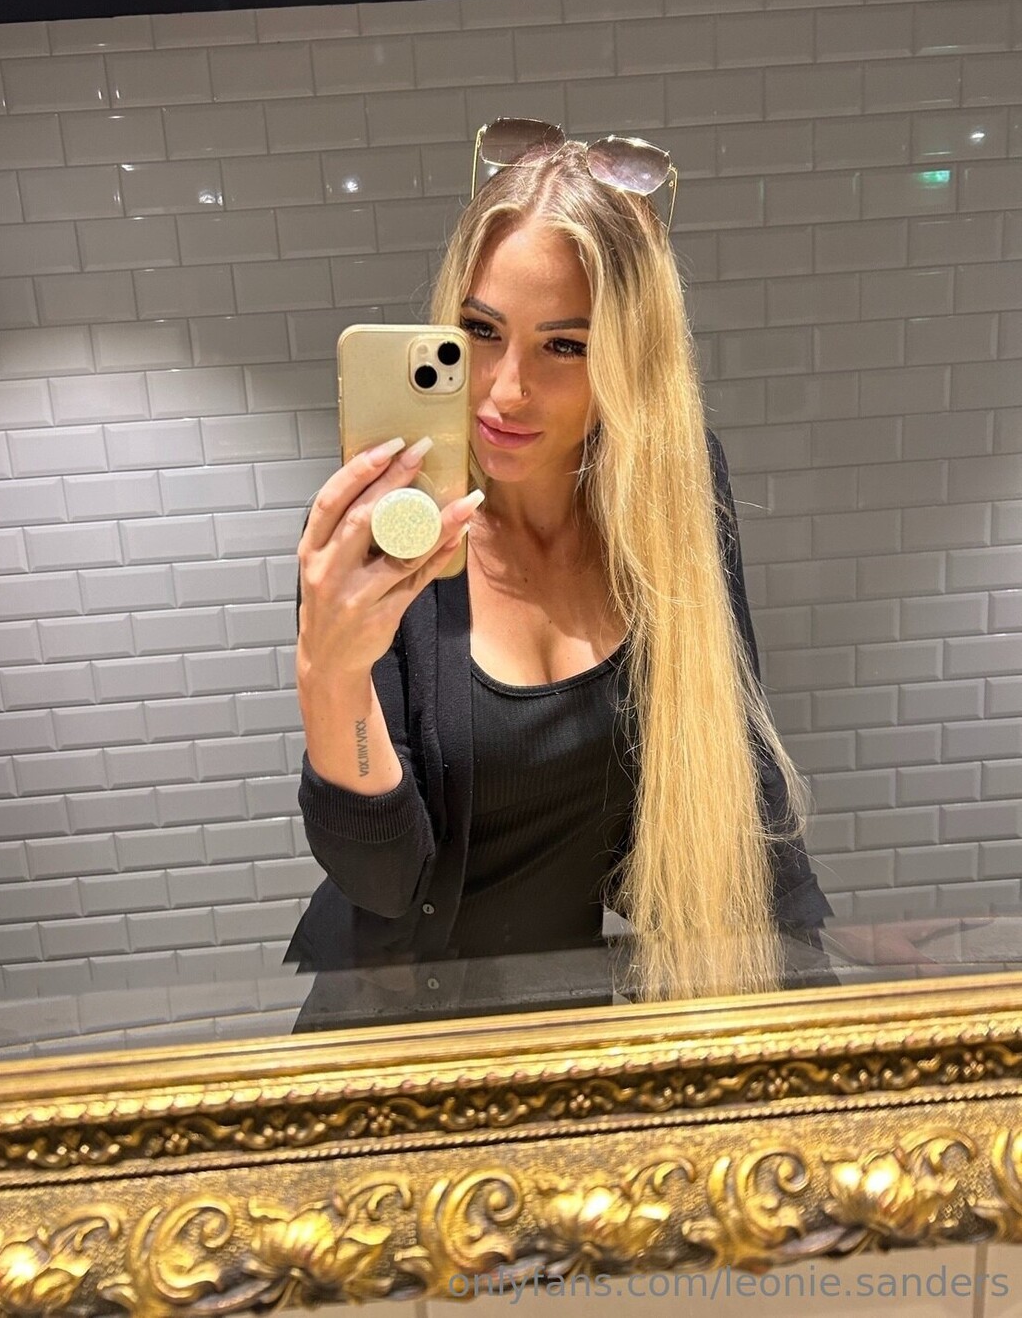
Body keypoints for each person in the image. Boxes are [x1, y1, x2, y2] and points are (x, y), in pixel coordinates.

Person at [286, 120, 831, 1028]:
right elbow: (382, 881)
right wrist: (331, 677)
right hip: (393, 1035)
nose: (505, 389)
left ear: (630, 356)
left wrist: (825, 1022)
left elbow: (734, 775)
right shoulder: (386, 527)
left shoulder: (673, 499)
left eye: (564, 345)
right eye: (481, 332)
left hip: (566, 1030)